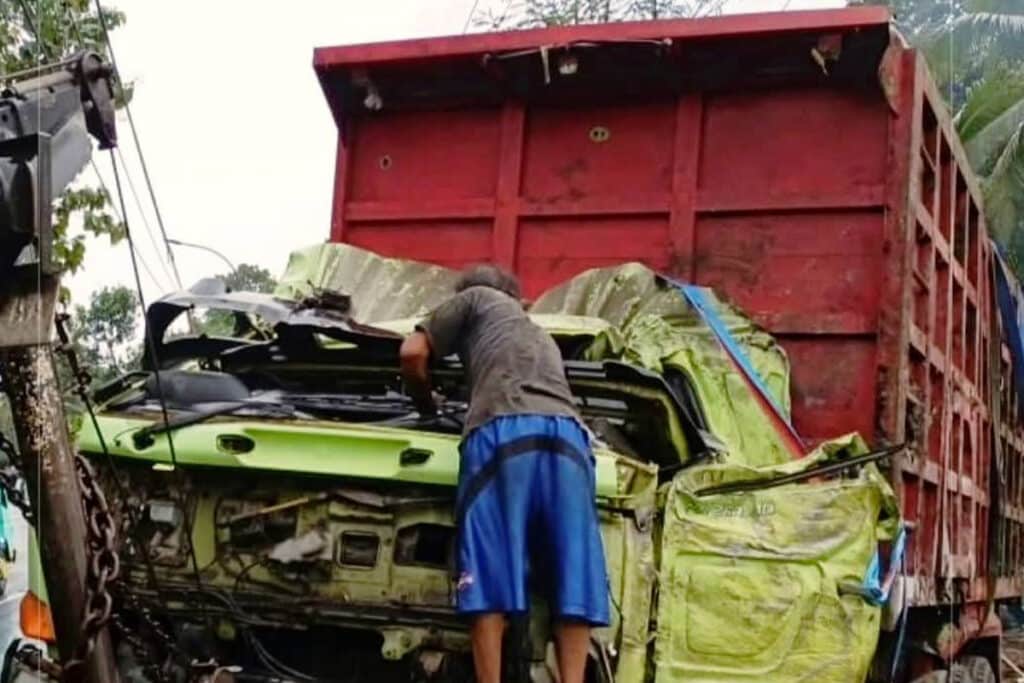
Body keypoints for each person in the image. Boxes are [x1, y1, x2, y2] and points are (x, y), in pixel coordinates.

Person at [400, 265, 608, 683]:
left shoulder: (474, 298)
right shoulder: (538, 333)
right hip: (570, 439)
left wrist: (425, 403)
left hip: (504, 430)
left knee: (489, 573)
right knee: (574, 571)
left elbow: (411, 353)